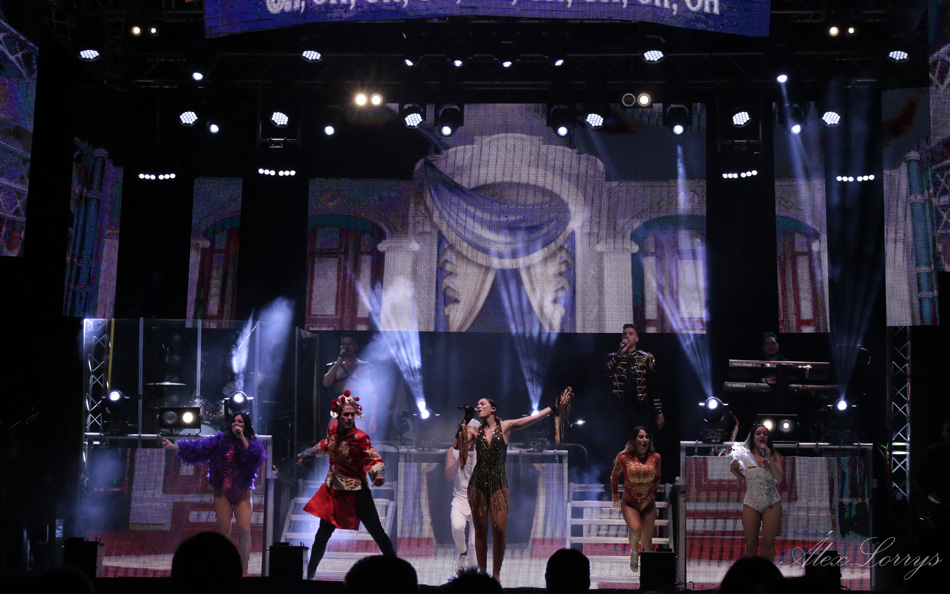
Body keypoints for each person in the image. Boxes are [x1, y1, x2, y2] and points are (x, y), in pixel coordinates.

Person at [458, 387, 574, 583]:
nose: (478, 406)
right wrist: (465, 420)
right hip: (477, 483)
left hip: (498, 482)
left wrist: (553, 408)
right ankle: (483, 574)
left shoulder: (505, 426)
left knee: (499, 529)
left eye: (482, 403)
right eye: (477, 405)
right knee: (480, 531)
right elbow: (457, 445)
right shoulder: (474, 431)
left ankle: (496, 573)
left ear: (493, 409)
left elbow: (532, 419)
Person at [297, 391, 396, 579]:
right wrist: (306, 454)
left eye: (352, 414)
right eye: (346, 414)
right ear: (338, 415)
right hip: (335, 492)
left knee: (377, 532)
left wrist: (378, 474)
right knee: (322, 535)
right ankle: (310, 575)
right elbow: (325, 445)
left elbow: (373, 458)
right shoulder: (333, 431)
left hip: (357, 492)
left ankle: (397, 571)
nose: (349, 418)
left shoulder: (361, 437)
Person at [162, 412, 265, 575]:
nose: (236, 423)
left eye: (240, 421)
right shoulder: (220, 441)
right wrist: (173, 446)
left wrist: (242, 437)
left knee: (244, 531)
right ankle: (225, 570)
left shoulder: (251, 443)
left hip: (242, 494)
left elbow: (255, 457)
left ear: (245, 425)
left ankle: (243, 571)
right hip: (222, 493)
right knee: (223, 534)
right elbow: (198, 448)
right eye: (234, 421)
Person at [729, 424, 785, 561]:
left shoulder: (774, 456)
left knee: (768, 543)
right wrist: (743, 478)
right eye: (758, 433)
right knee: (751, 544)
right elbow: (733, 468)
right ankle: (752, 573)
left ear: (768, 438)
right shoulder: (744, 455)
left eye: (765, 434)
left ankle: (767, 572)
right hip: (751, 502)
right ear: (753, 437)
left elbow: (779, 478)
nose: (761, 436)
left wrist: (769, 460)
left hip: (771, 502)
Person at [610, 427, 661, 572]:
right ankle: (634, 552)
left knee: (647, 541)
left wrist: (653, 495)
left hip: (648, 502)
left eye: (647, 437)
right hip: (630, 503)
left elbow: (657, 478)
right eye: (641, 437)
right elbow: (614, 478)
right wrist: (615, 498)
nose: (644, 440)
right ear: (634, 440)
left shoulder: (656, 458)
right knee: (636, 528)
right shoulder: (624, 458)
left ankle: (647, 573)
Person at [605, 324, 665, 433]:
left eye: (630, 334)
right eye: (624, 334)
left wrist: (659, 412)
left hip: (641, 409)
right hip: (618, 409)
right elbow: (606, 374)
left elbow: (653, 387)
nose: (627, 336)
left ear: (636, 338)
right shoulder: (613, 357)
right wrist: (620, 353)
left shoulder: (646, 358)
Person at [323, 332, 378, 434]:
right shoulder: (334, 366)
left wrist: (373, 419)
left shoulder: (364, 367)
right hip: (339, 409)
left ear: (356, 347)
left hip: (358, 409)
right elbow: (326, 383)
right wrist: (339, 361)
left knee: (356, 441)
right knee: (333, 440)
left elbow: (373, 394)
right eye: (343, 344)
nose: (346, 347)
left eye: (350, 344)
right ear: (340, 347)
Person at [445, 414, 479, 573]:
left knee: (474, 543)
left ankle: (473, 576)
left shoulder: (484, 452)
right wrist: (460, 458)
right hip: (460, 499)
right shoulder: (453, 452)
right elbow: (448, 476)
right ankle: (462, 553)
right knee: (457, 527)